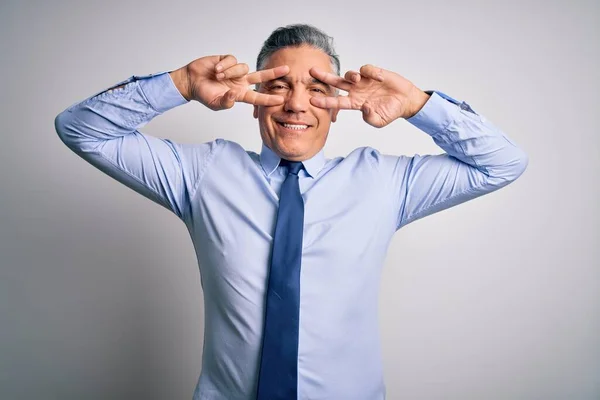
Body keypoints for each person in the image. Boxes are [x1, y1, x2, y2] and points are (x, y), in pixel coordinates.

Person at [55, 24, 528, 400]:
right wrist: (180, 84)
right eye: (279, 86)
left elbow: (503, 163)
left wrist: (417, 105)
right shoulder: (202, 174)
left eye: (316, 89)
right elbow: (81, 130)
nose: (297, 104)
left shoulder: (384, 183)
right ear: (252, 102)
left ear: (339, 105)